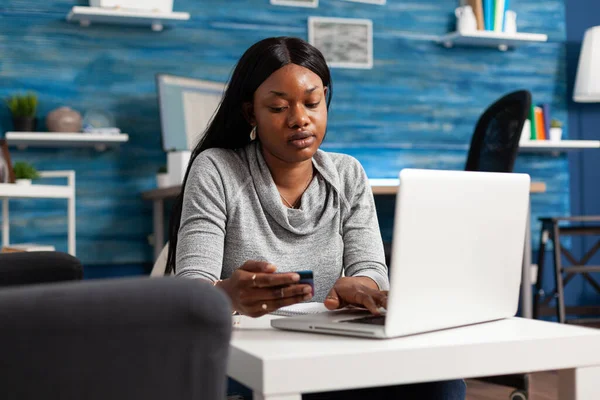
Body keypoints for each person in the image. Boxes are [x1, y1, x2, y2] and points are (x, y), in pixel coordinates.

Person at [166, 36, 466, 400]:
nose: (299, 120)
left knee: (443, 383)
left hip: (327, 351)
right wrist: (228, 294)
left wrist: (362, 288)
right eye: (278, 108)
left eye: (312, 102)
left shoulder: (348, 173)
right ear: (251, 114)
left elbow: (371, 267)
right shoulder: (217, 169)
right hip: (244, 354)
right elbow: (192, 287)